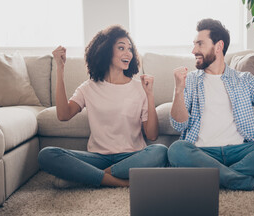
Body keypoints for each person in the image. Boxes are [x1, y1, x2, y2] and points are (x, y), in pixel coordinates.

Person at [168, 18, 254, 192]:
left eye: (200, 44)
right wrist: (178, 90)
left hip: (241, 152)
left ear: (218, 46)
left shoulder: (242, 79)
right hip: (203, 153)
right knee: (176, 150)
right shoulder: (190, 80)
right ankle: (249, 181)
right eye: (194, 45)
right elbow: (179, 124)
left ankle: (217, 176)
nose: (194, 50)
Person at [38, 25, 168, 188]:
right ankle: (120, 182)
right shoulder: (88, 87)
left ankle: (85, 176)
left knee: (160, 151)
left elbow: (152, 135)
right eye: (121, 48)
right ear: (106, 51)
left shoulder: (140, 88)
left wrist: (150, 95)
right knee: (47, 154)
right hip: (97, 158)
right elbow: (63, 115)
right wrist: (60, 69)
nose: (128, 53)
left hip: (131, 156)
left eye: (130, 49)